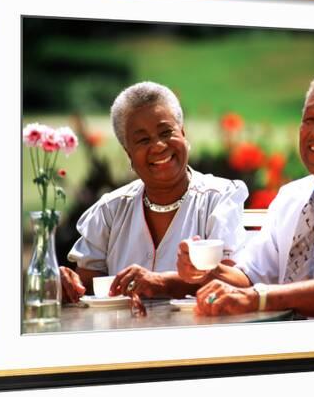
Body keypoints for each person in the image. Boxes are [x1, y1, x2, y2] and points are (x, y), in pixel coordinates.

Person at [177, 73, 314, 318]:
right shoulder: (292, 196)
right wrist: (204, 270)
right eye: (310, 120)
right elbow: (250, 275)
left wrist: (257, 298)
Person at [61, 81, 248, 302]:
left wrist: (164, 283)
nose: (159, 146)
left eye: (166, 132)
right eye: (143, 140)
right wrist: (68, 285)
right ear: (128, 152)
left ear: (183, 134)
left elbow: (237, 283)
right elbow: (90, 289)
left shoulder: (219, 198)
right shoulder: (108, 211)